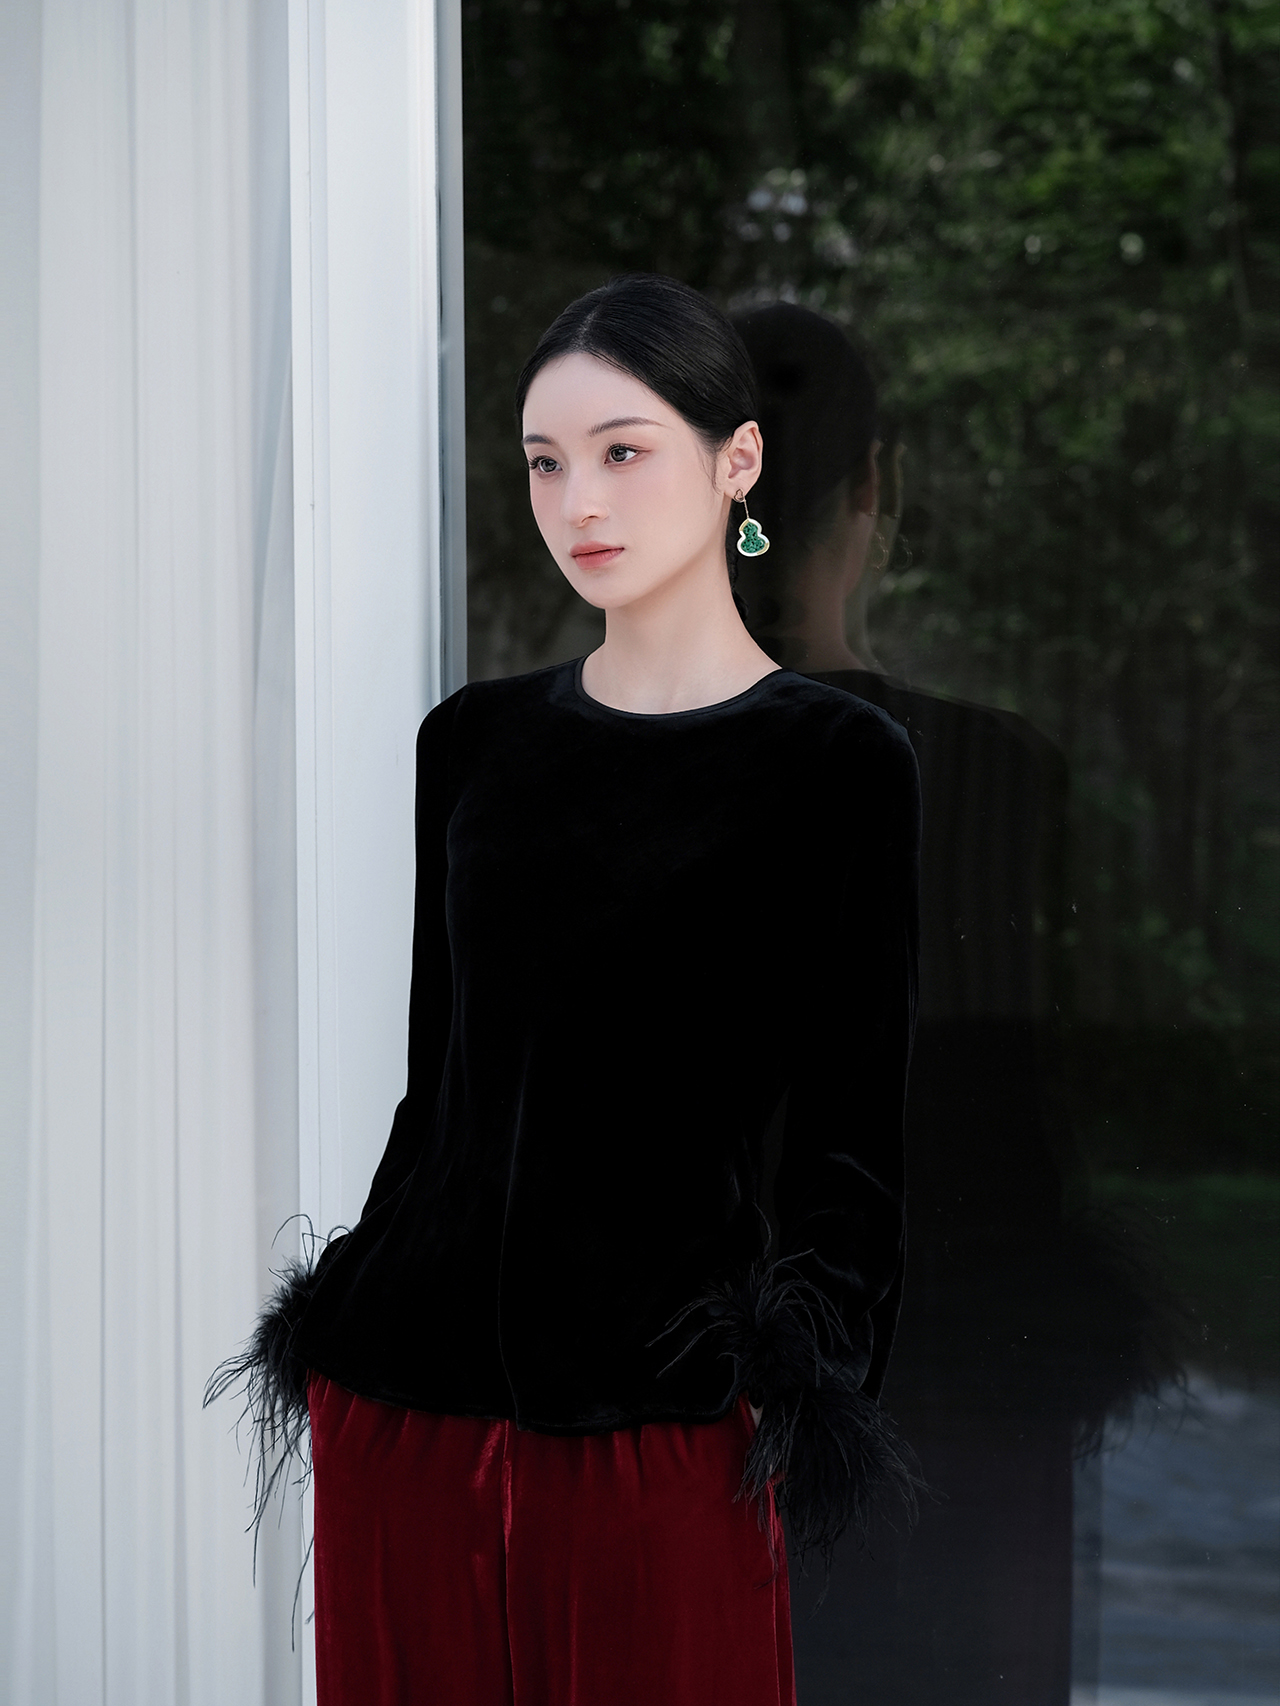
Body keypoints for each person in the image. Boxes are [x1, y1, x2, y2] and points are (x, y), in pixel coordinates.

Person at [208, 275, 922, 1706]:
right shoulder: (471, 744)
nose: (577, 500)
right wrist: (350, 1332)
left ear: (736, 461)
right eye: (544, 461)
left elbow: (851, 1144)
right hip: (403, 1407)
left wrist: (790, 1383)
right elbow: (443, 1085)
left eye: (622, 450)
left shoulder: (834, 765)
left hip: (660, 1430)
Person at [733, 302, 1178, 1706]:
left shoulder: (624, 780)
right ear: (877, 486)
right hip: (971, 1400)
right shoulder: (994, 776)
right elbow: (1036, 1117)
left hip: (722, 1419)